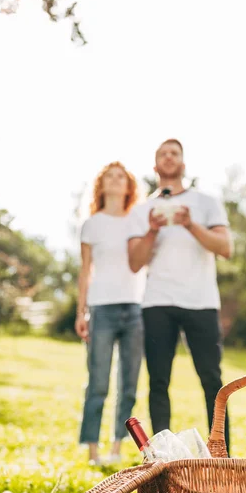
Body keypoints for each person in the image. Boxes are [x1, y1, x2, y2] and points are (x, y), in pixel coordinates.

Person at [127, 139, 232, 451]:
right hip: (158, 302)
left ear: (183, 164)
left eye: (175, 153)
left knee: (213, 381)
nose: (169, 157)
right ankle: (163, 460)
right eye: (163, 154)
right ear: (155, 166)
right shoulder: (143, 210)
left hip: (201, 302)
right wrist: (152, 230)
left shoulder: (206, 202)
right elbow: (134, 263)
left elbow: (225, 248)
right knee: (158, 382)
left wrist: (189, 223)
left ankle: (222, 454)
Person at [75, 161, 145, 465]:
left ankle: (117, 449)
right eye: (109, 176)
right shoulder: (92, 224)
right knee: (98, 382)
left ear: (129, 186)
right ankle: (93, 451)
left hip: (134, 308)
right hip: (101, 308)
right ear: (100, 185)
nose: (115, 181)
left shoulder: (136, 221)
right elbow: (84, 271)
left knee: (128, 384)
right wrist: (82, 312)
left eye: (121, 177)